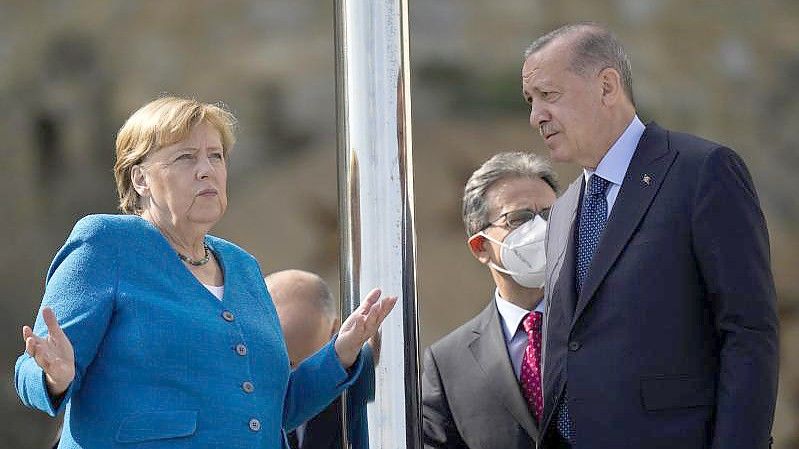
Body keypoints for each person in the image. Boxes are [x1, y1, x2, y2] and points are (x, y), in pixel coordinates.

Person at [14, 96, 397, 449]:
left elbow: (272, 413)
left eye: (216, 156)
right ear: (140, 178)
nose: (206, 171)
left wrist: (341, 353)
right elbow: (32, 369)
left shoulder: (244, 267)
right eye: (185, 157)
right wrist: (54, 377)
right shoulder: (106, 243)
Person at [521, 23, 779, 449]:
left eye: (549, 96)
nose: (536, 116)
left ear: (606, 86)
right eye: (530, 101)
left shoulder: (702, 171)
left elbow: (748, 333)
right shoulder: (564, 208)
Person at [422, 152, 559, 449]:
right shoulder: (447, 364)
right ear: (481, 246)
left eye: (550, 215)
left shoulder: (609, 324)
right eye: (519, 219)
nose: (541, 229)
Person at [266, 269, 375, 449]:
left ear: (334, 329)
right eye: (285, 365)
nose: (294, 379)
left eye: (306, 363)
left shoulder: (365, 391)